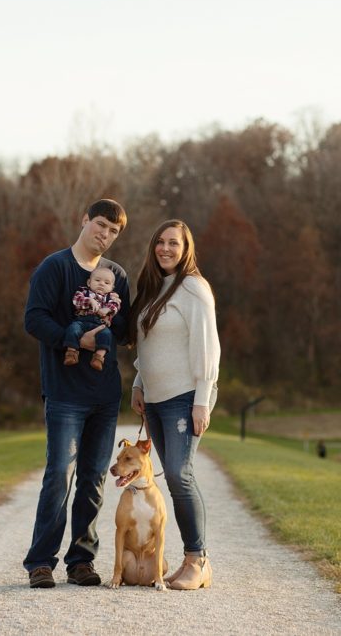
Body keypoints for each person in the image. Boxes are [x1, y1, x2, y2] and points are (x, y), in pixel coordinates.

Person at [22, 199, 130, 589]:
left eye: (114, 230)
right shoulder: (55, 267)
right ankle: (40, 562)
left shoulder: (116, 274)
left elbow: (123, 330)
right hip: (65, 392)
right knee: (59, 475)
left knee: (95, 478)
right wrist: (76, 340)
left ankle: (81, 561)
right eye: (100, 224)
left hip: (104, 395)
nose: (105, 234)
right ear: (84, 221)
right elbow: (34, 319)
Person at [129, 219, 220, 590]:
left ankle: (199, 561)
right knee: (172, 476)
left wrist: (202, 401)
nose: (165, 249)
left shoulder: (194, 289)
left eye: (174, 244)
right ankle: (187, 561)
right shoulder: (152, 289)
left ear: (186, 250)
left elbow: (207, 348)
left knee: (180, 476)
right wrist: (138, 383)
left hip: (186, 396)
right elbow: (148, 345)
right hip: (154, 398)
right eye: (160, 242)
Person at [63, 266, 122, 371]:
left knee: (107, 335)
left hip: (100, 324)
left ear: (112, 287)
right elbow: (76, 301)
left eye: (106, 283)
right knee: (73, 329)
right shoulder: (83, 292)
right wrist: (89, 301)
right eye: (97, 280)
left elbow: (116, 306)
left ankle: (98, 358)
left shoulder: (111, 298)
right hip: (82, 321)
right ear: (89, 282)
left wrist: (107, 309)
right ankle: (71, 353)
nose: (101, 283)